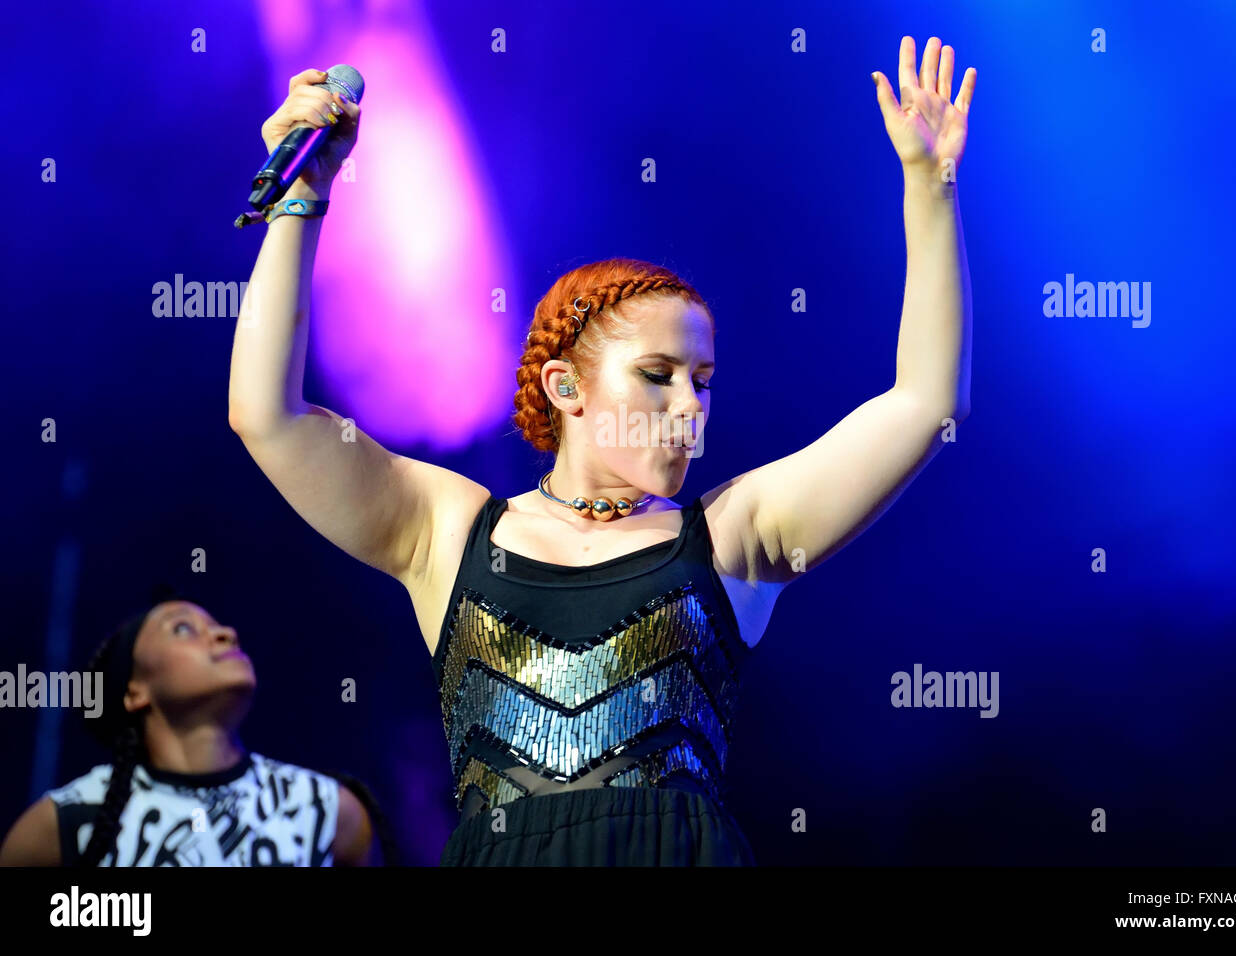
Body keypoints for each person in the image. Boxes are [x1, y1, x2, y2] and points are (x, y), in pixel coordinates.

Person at [226, 34, 975, 865]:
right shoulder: (449, 532)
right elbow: (270, 418)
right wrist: (304, 198)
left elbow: (924, 402)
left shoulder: (731, 536)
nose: (692, 406)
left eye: (705, 381)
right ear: (565, 388)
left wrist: (928, 185)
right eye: (659, 375)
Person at [0, 589, 394, 866]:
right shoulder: (64, 823)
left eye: (219, 626)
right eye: (183, 628)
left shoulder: (329, 810)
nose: (226, 634)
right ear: (135, 691)